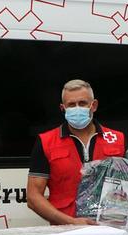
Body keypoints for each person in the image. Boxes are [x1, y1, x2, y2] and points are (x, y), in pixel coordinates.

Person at [26, 79, 122, 225]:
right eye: (71, 105)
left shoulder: (117, 139)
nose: (77, 108)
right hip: (64, 231)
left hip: (108, 229)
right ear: (62, 108)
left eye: (82, 103)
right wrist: (71, 222)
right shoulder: (46, 142)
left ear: (93, 105)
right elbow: (33, 198)